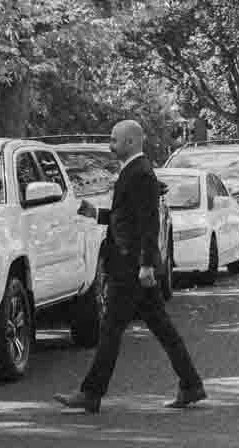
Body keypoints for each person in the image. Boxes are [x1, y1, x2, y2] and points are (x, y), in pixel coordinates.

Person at [55, 119, 206, 414]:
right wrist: (96, 213)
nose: (110, 145)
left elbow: (148, 223)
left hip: (131, 269)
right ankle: (191, 385)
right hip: (132, 268)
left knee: (111, 331)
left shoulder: (141, 173)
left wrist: (147, 265)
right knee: (162, 329)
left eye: (114, 140)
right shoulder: (134, 172)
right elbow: (126, 217)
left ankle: (91, 393)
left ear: (131, 142)